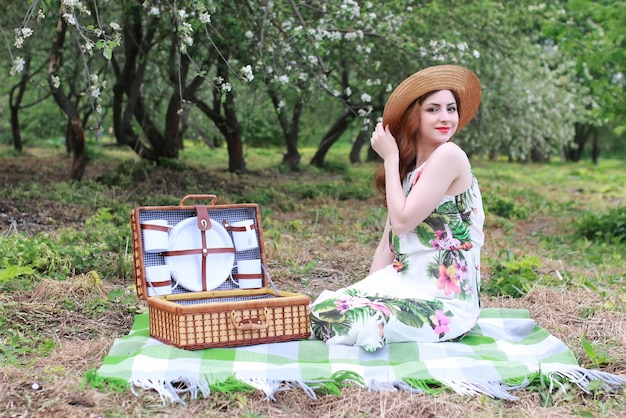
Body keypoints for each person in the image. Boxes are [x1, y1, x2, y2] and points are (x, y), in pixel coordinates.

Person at [310, 65, 485, 352]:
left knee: (361, 319)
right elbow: (386, 247)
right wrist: (365, 292)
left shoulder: (450, 155)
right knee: (325, 309)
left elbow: (403, 221)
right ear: (414, 116)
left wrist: (390, 159)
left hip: (444, 301)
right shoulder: (409, 175)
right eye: (433, 109)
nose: (446, 118)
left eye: (451, 109)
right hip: (404, 283)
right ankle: (371, 324)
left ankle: (374, 327)